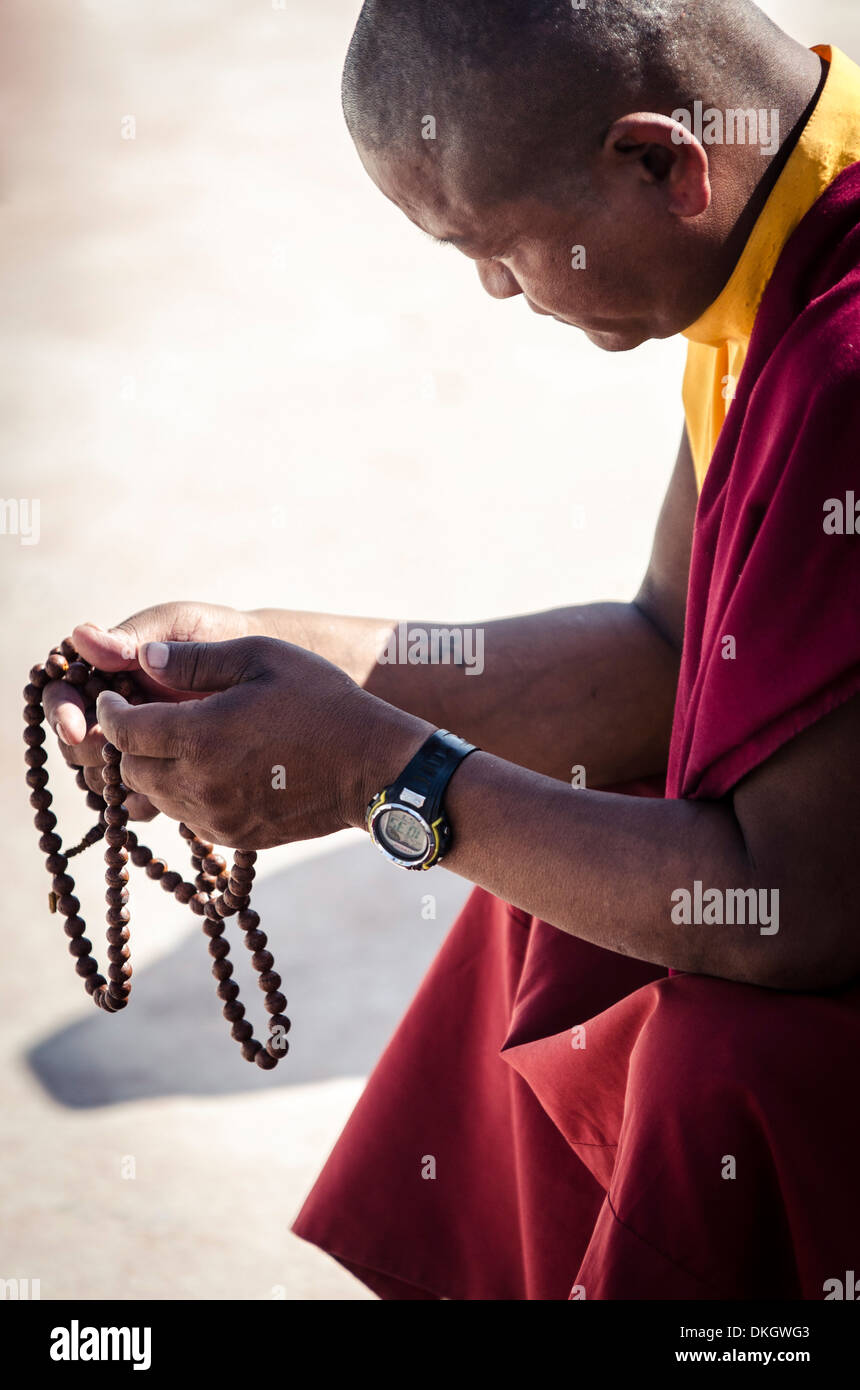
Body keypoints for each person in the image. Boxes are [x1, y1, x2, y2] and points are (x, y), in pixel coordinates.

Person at [45, 0, 860, 1298]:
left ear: (660, 164)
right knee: (547, 878)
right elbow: (663, 647)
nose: (494, 290)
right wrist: (265, 658)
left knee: (721, 1056)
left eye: (498, 247)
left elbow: (793, 910)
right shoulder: (780, 243)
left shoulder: (846, 359)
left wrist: (383, 779)